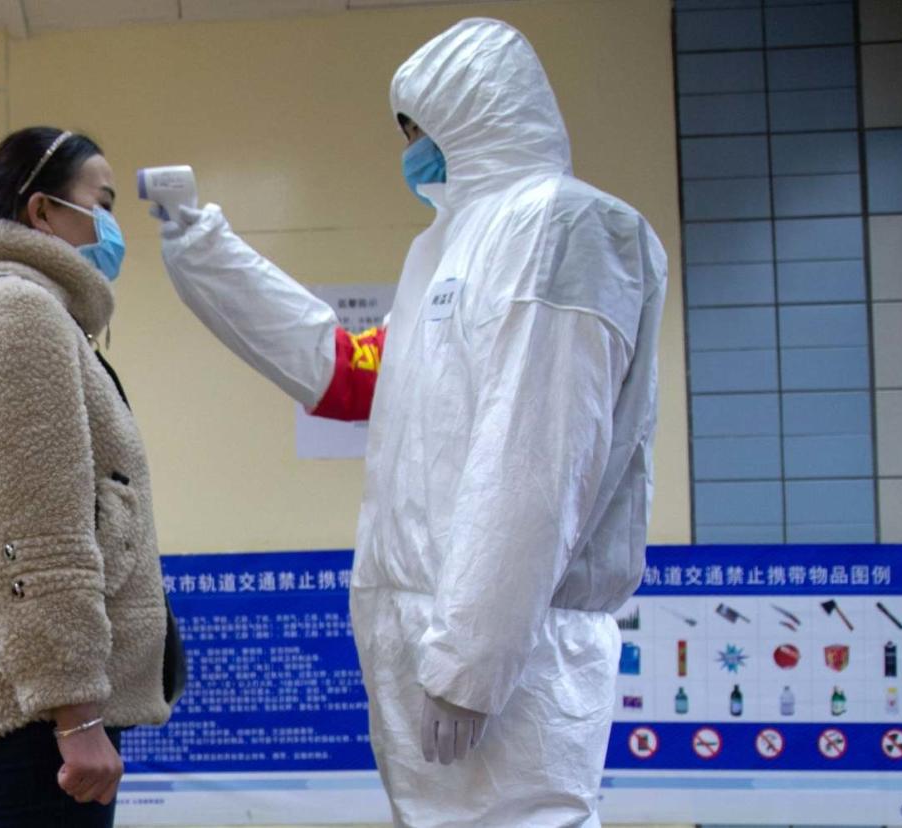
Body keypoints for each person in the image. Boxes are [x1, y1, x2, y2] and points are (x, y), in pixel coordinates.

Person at [155, 18, 667, 827]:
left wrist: (473, 662)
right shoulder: (442, 253)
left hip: (510, 653)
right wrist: (203, 250)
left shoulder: (566, 226)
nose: (410, 151)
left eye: (417, 129)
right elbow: (341, 370)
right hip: (427, 639)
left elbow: (536, 460)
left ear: (474, 114)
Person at [0, 126, 170, 827]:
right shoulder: (19, 315)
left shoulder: (9, 311)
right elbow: (31, 526)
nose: (112, 226)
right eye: (102, 202)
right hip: (42, 716)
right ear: (42, 211)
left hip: (30, 706)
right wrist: (77, 713)